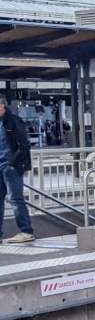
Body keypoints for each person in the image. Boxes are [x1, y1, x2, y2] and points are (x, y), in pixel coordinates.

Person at [0, 96, 34, 244]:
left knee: (16, 198)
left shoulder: (13, 121)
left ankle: (26, 231)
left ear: (2, 106)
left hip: (10, 165)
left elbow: (24, 144)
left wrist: (13, 163)